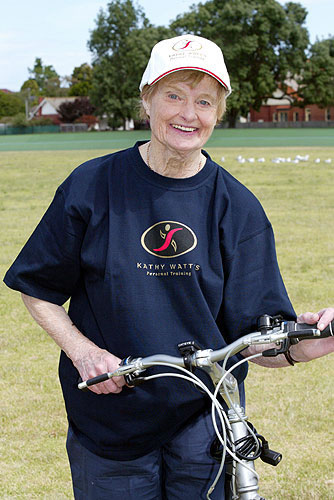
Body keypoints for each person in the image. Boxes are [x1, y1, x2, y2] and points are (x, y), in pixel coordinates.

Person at [3, 34, 334, 499]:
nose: (188, 113)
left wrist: (308, 347)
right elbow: (36, 287)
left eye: (204, 101)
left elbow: (256, 340)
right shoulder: (92, 185)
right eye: (173, 95)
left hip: (207, 428)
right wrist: (83, 351)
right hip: (110, 425)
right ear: (147, 101)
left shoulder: (237, 208)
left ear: (218, 112)